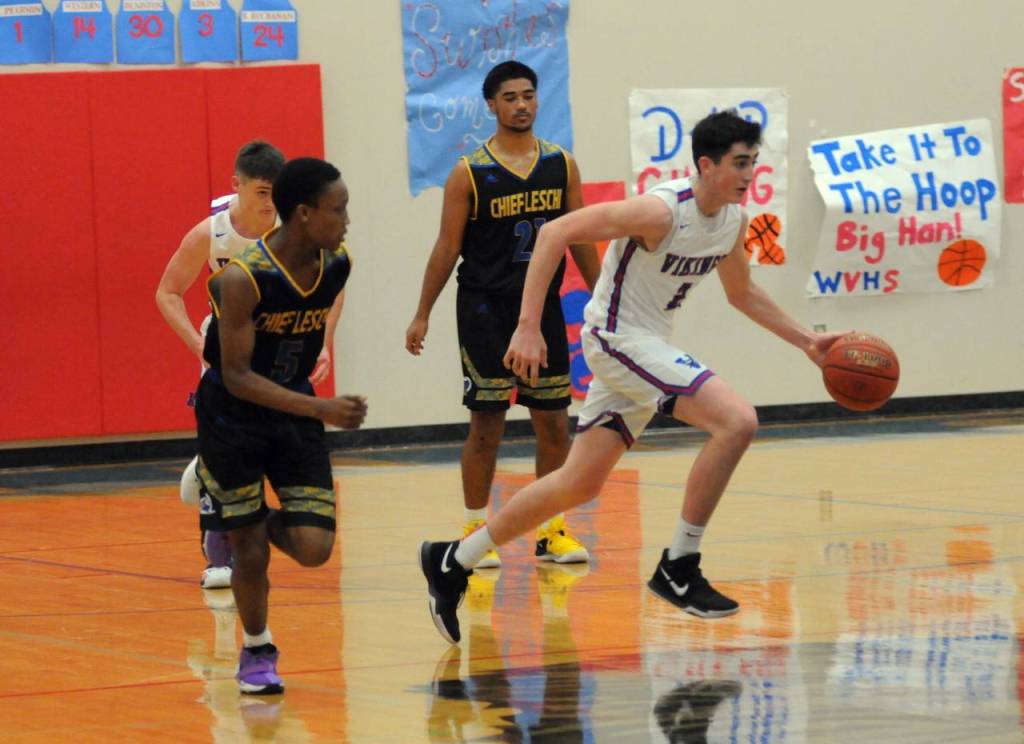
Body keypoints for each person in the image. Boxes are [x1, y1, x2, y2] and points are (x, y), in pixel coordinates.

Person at [419, 110, 847, 643]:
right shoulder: (661, 211)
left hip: (646, 347)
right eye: (740, 163)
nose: (748, 174)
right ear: (707, 164)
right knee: (736, 422)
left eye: (754, 163)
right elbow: (554, 232)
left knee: (578, 483)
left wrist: (808, 341)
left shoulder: (732, 222)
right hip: (615, 340)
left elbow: (743, 295)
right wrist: (529, 326)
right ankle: (680, 564)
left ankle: (453, 559)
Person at [405, 61, 600, 569]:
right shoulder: (468, 172)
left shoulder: (561, 164)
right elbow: (446, 248)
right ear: (491, 105)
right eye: (510, 97)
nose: (522, 104)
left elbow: (579, 237)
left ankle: (551, 531)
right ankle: (475, 529)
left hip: (543, 310)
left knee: (554, 425)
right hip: (485, 310)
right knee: (486, 426)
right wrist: (421, 312)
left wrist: (603, 300)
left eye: (529, 95)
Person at [194, 157, 366, 694]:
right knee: (249, 550)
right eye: (338, 210)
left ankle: (238, 515)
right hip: (233, 417)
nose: (346, 219)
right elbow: (239, 377)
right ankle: (257, 649)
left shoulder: (337, 263)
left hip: (292, 413)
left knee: (314, 548)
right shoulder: (241, 281)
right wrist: (321, 408)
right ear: (304, 214)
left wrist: (310, 405)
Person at [155, 141, 344, 589]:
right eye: (261, 192)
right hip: (228, 355)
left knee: (263, 448)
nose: (269, 201)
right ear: (236, 185)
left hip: (282, 355)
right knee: (233, 453)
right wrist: (199, 345)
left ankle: (211, 478)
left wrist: (323, 342)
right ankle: (219, 556)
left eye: (275, 192)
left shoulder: (297, 232)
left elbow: (334, 286)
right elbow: (167, 291)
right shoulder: (211, 234)